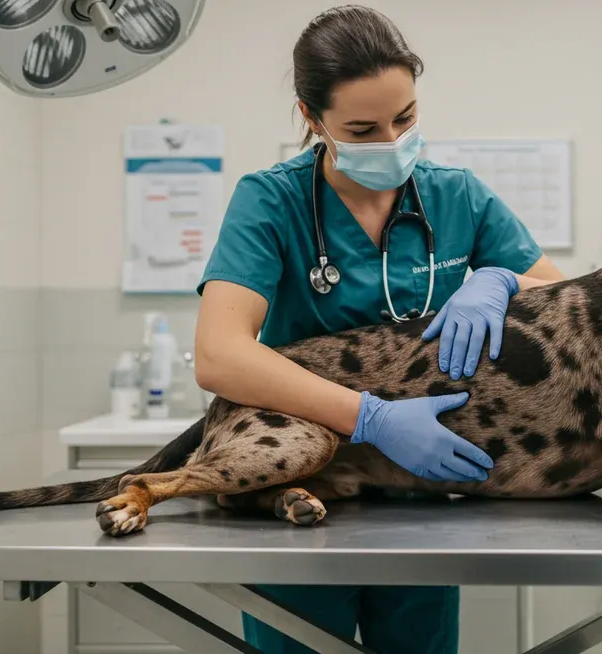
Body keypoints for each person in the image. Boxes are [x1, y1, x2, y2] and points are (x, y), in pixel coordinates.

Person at [193, 5, 565, 653]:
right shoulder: (271, 201)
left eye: (406, 118)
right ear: (312, 118)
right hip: (302, 494)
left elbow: (567, 303)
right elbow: (219, 357)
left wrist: (500, 281)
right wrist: (371, 417)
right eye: (363, 128)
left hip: (422, 495)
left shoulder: (457, 197)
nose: (391, 141)